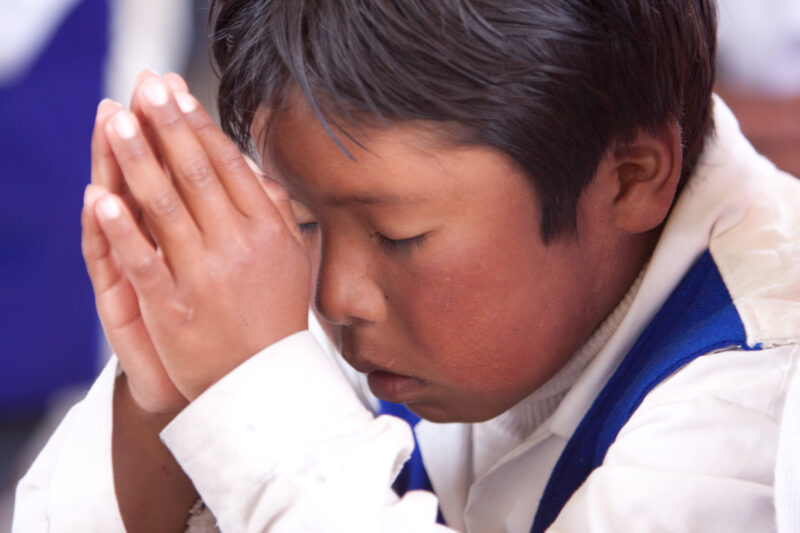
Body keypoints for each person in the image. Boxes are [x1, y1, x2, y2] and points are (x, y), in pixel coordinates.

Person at [13, 1, 800, 531]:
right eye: (302, 219)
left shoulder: (751, 408)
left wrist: (254, 399)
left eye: (399, 237)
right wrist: (170, 401)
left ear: (629, 177)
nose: (333, 297)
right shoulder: (399, 254)